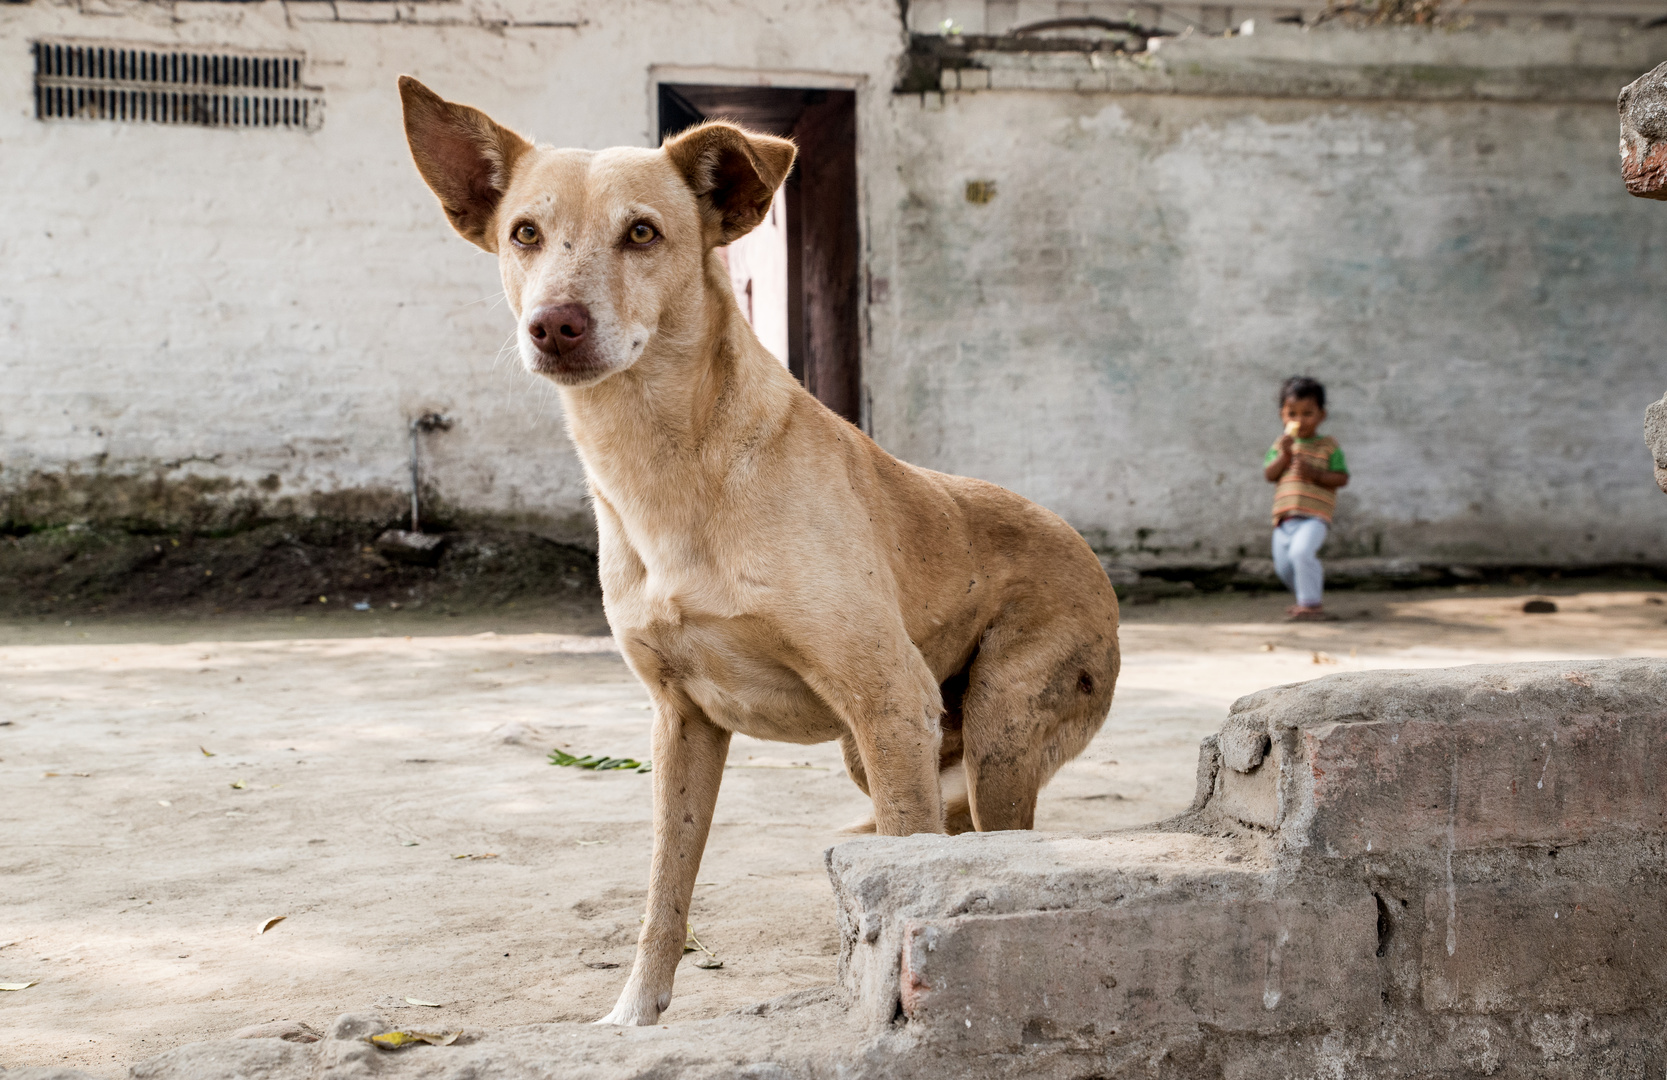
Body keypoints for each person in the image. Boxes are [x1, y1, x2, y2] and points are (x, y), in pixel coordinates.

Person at [1262, 376, 1349, 621]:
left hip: (1314, 517)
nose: (1299, 421)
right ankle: (1304, 597)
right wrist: (1284, 456)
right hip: (1284, 519)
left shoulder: (1328, 446)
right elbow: (1270, 474)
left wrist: (1315, 474)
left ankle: (1311, 605)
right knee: (1284, 567)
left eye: (1307, 413)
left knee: (1301, 553)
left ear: (1322, 415)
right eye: (1293, 414)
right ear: (1282, 415)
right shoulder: (1280, 446)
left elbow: (1341, 478)